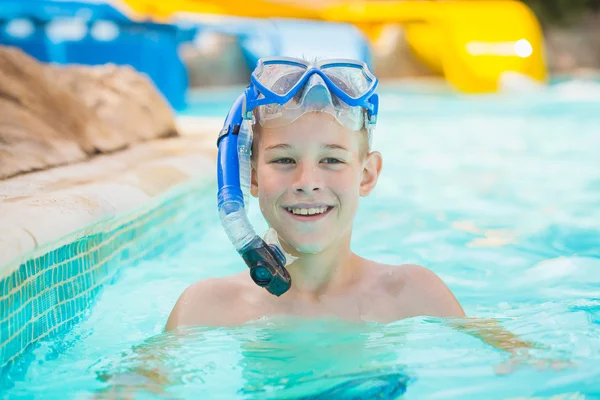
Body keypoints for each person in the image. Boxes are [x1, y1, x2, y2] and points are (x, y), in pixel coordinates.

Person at [164, 57, 569, 373]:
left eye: (332, 160)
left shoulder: (412, 293)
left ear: (368, 174)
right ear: (250, 175)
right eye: (284, 159)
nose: (307, 181)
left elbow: (528, 360)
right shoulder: (207, 308)